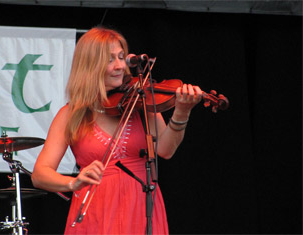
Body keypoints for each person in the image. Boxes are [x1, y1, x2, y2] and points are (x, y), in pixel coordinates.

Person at [31, 26, 203, 234]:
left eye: (122, 57)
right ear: (90, 66)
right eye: (110, 59)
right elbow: (40, 174)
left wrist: (181, 113)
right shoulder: (70, 114)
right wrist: (73, 183)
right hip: (95, 213)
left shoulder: (140, 100)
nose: (121, 66)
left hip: (141, 207)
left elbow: (166, 150)